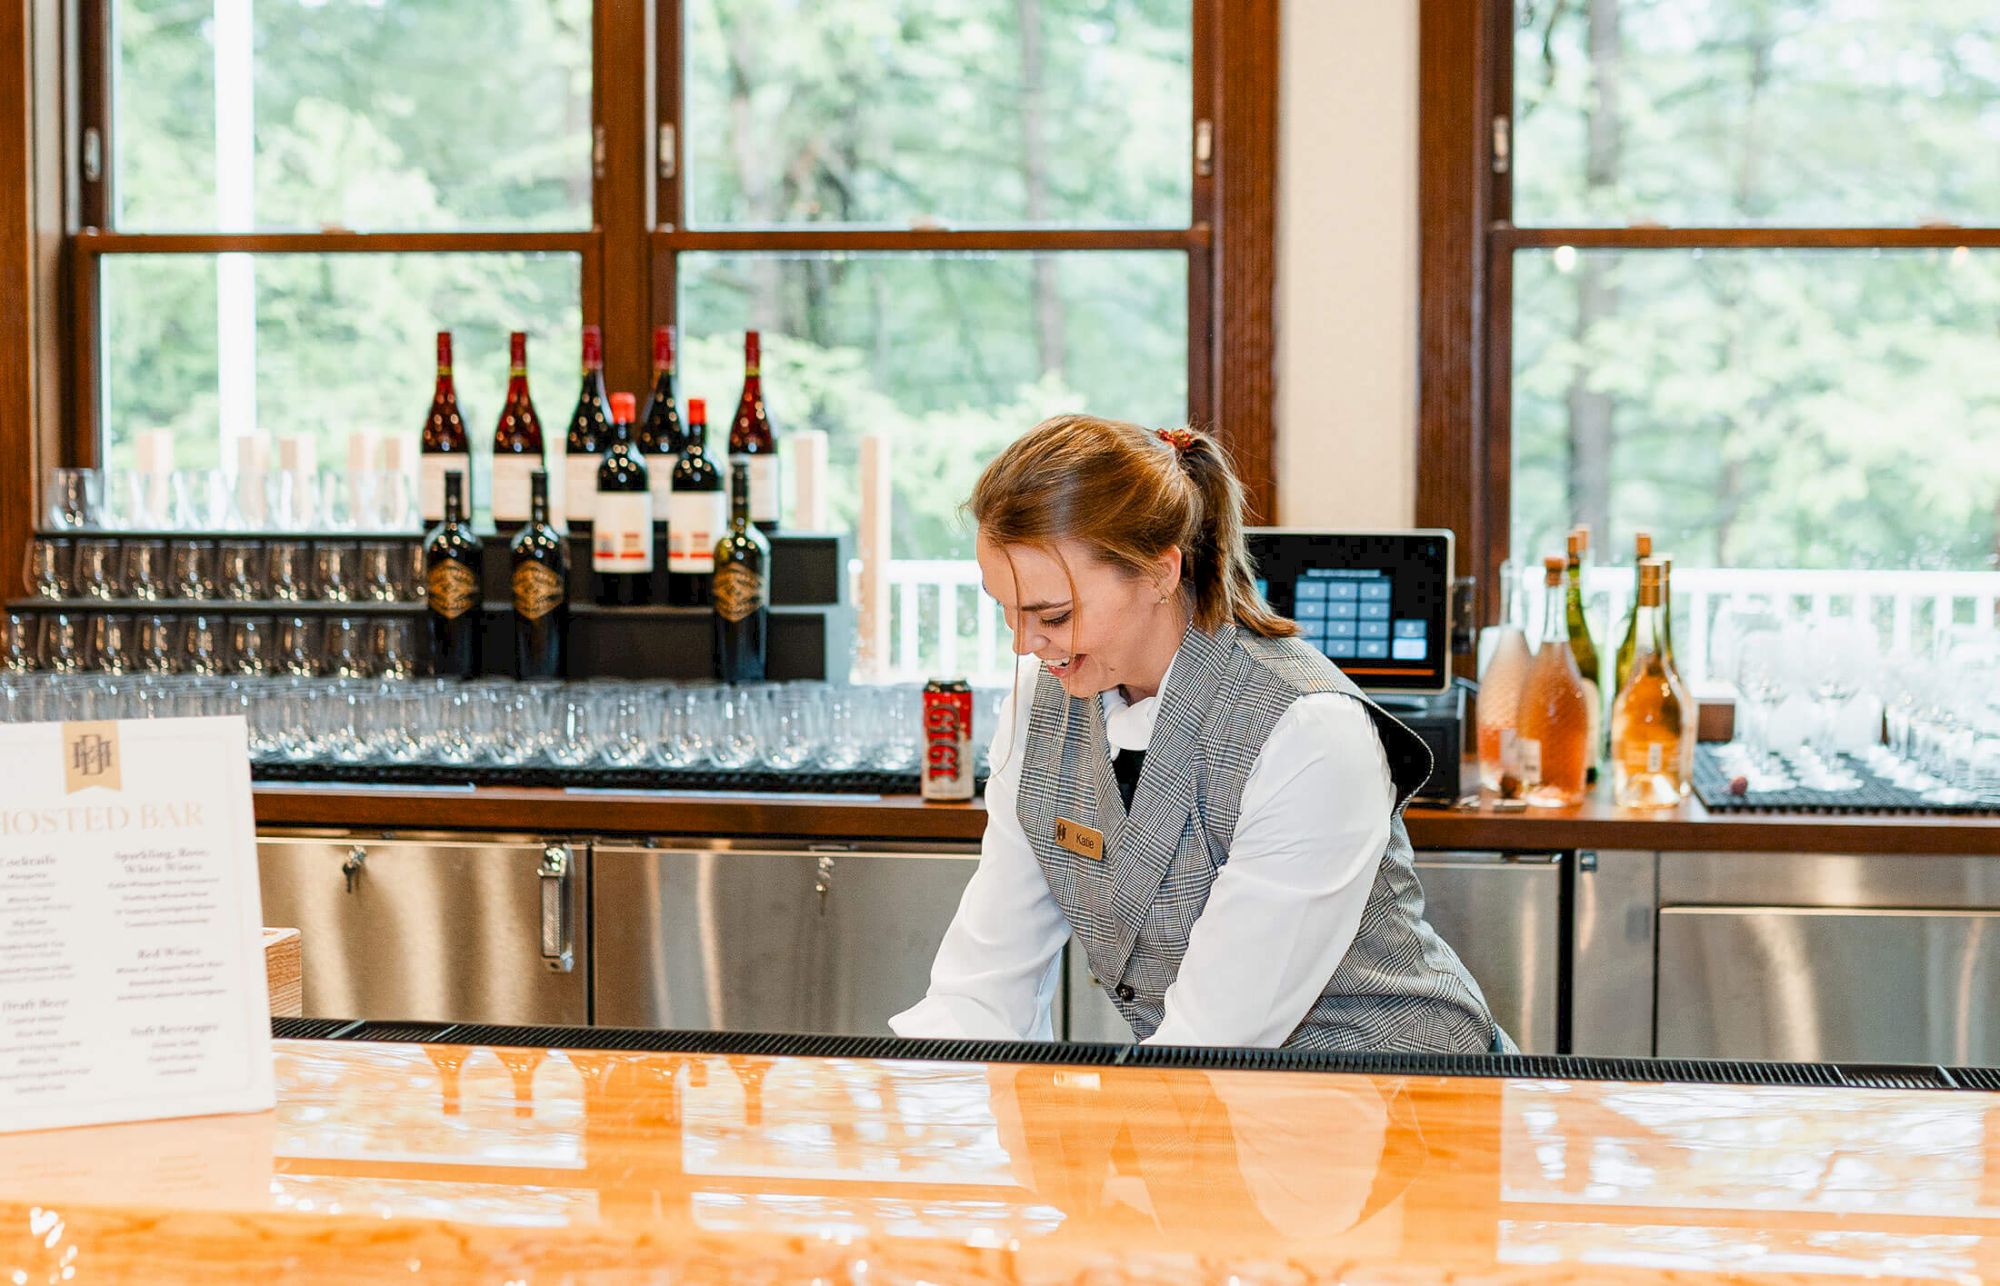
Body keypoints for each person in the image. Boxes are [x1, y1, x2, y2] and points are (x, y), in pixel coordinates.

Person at [890, 415, 1506, 1052]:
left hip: (1396, 1099)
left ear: (1160, 573)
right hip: (1209, 1094)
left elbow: (1215, 1034)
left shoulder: (1308, 730)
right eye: (1007, 611)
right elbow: (983, 984)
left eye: (1053, 615)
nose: (1024, 645)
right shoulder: (1038, 707)